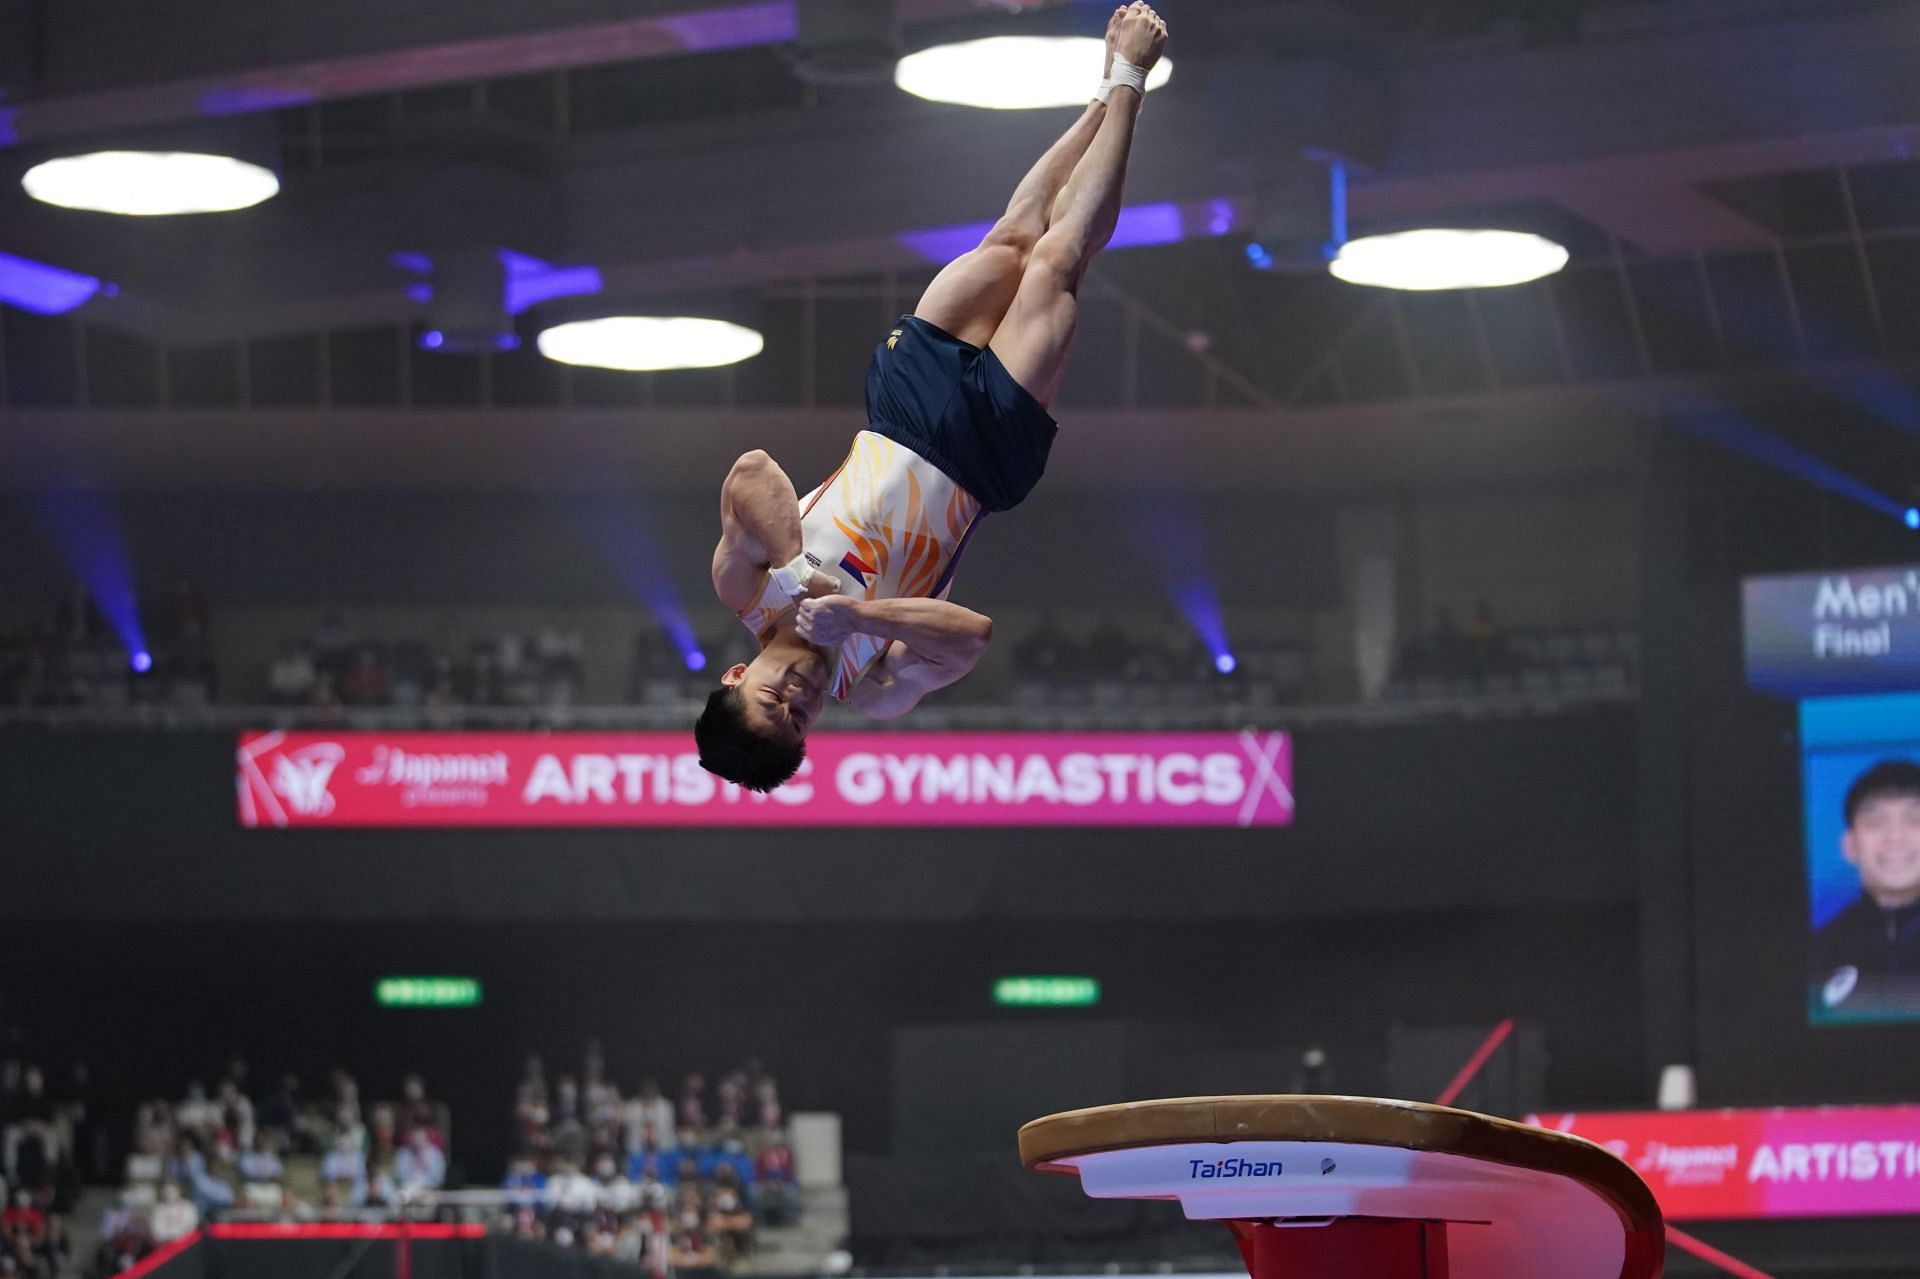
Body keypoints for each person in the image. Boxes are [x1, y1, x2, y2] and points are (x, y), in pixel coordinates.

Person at [698, 4, 1170, 791]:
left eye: (778, 698)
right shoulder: (873, 686)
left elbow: (751, 474)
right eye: (803, 718)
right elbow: (971, 637)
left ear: (738, 674)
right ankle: (1130, 79)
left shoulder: (742, 588)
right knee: (1056, 262)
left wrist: (792, 576)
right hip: (982, 460)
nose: (805, 695)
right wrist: (858, 618)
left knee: (1014, 235)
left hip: (902, 408)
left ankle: (1095, 96)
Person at [1812, 759, 1920, 1009]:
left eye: (1914, 820)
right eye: (1875, 823)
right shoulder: (1818, 950)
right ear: (1850, 845)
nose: (1895, 837)